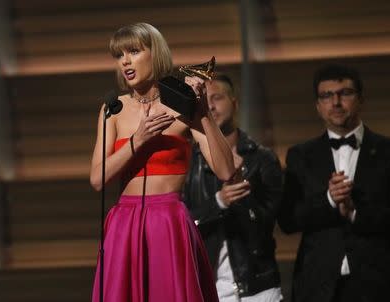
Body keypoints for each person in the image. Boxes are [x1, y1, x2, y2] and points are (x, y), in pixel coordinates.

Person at [89, 23, 235, 302]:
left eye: (133, 51)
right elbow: (98, 179)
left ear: (155, 54)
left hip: (167, 221)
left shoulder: (181, 105)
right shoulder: (113, 110)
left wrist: (203, 114)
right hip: (123, 223)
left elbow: (226, 170)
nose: (126, 62)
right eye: (119, 55)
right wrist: (137, 140)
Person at [278, 64, 390, 302]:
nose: (336, 102)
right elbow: (288, 220)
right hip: (317, 285)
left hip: (379, 283)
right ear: (318, 105)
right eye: (327, 95)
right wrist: (329, 200)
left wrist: (354, 212)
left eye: (345, 93)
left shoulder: (389, 152)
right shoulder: (300, 155)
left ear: (361, 99)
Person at [183, 73, 283, 302]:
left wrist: (240, 193)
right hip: (208, 284)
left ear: (235, 103)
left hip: (259, 286)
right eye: (204, 99)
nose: (210, 105)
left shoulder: (262, 158)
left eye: (217, 97)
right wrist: (219, 202)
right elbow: (182, 220)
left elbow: (271, 220)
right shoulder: (190, 160)